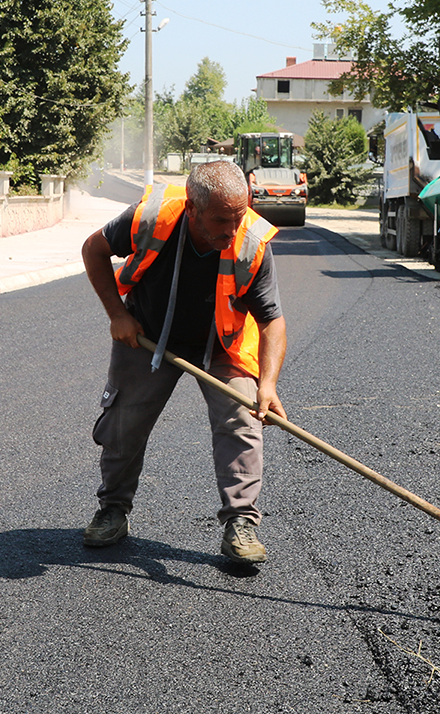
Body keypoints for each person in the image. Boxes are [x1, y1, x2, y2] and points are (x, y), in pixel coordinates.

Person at [79, 160, 287, 563]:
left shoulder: (252, 242)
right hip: (147, 334)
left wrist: (268, 385)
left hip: (222, 345)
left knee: (242, 420)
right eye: (220, 220)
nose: (231, 229)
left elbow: (272, 320)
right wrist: (117, 316)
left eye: (238, 216)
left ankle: (240, 524)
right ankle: (113, 510)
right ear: (192, 208)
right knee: (124, 422)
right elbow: (94, 249)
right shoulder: (152, 217)